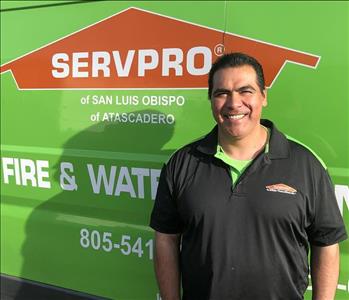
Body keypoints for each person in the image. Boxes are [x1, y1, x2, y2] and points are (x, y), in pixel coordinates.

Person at [149, 52, 347, 300]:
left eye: (246, 91)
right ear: (211, 99)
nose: (234, 103)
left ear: (264, 96)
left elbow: (326, 243)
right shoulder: (182, 163)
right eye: (222, 93)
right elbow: (166, 238)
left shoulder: (306, 163)